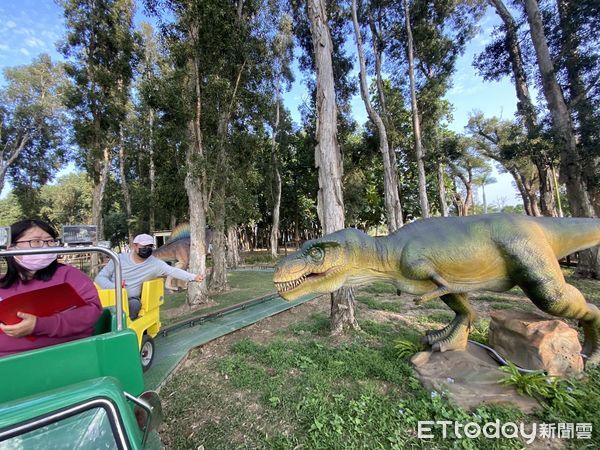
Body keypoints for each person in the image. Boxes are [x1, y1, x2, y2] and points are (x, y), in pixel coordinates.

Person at [0, 219, 103, 358]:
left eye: (50, 241)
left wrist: (40, 325)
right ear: (11, 247)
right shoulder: (2, 284)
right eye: (36, 241)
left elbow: (92, 311)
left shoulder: (70, 275)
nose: (45, 246)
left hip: (65, 355)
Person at [95, 233, 204, 320]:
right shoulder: (118, 259)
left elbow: (173, 271)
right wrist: (115, 286)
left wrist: (193, 277)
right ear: (135, 246)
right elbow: (100, 278)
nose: (147, 249)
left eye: (149, 246)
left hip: (130, 299)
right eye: (143, 246)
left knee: (134, 305)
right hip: (111, 295)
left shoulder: (155, 263)